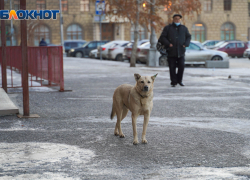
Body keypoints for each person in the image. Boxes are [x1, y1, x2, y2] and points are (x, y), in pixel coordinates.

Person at [159, 14, 191, 87]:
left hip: (181, 51)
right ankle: (173, 82)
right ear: (173, 19)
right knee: (172, 67)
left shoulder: (184, 28)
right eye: (176, 19)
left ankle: (179, 81)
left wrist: (185, 44)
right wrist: (168, 44)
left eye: (178, 19)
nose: (177, 20)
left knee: (181, 66)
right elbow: (162, 37)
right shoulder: (168, 28)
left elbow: (188, 36)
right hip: (171, 51)